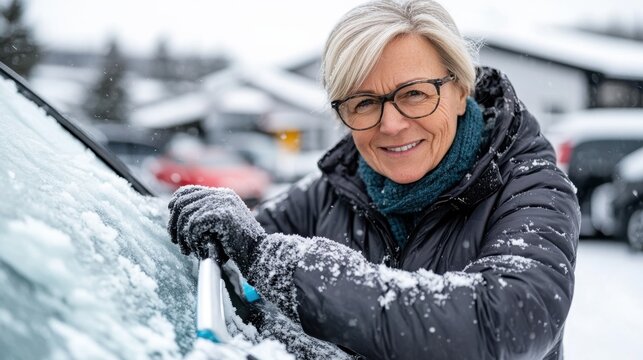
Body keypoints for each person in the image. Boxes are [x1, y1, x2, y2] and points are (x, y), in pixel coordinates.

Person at [167, 0, 580, 358]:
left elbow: (502, 321)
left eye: (415, 93)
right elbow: (237, 243)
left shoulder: (532, 190)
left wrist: (277, 264)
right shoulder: (334, 191)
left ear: (460, 89)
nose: (392, 124)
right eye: (364, 103)